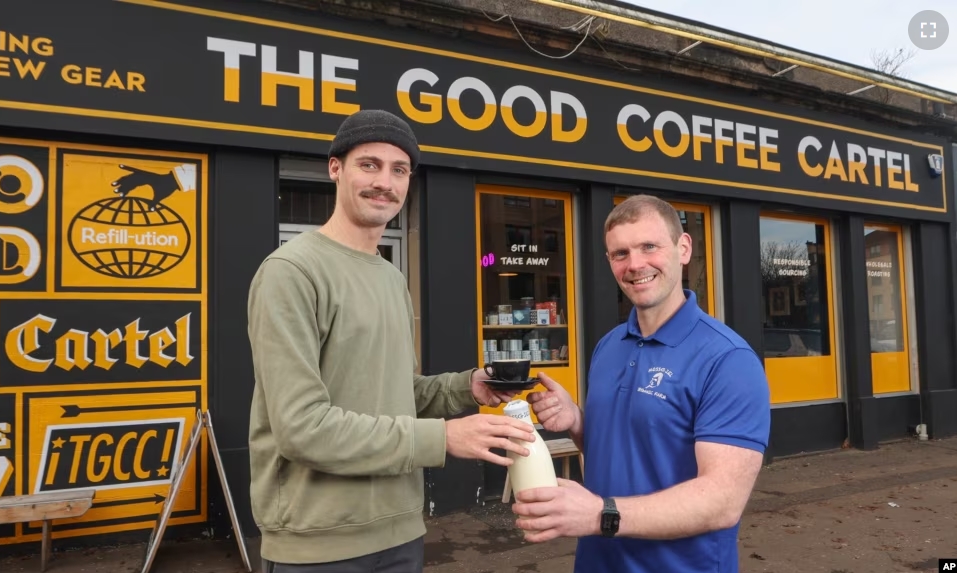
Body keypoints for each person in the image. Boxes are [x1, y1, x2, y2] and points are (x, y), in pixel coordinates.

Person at [246, 109, 536, 572]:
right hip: (320, 542)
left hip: (401, 531)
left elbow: (398, 393)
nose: (385, 181)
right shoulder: (292, 272)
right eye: (369, 164)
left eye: (399, 170)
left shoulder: (390, 278)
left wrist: (466, 388)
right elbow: (301, 428)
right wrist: (442, 438)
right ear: (335, 168)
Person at [512, 194, 771, 573]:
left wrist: (602, 515)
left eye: (649, 247)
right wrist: (576, 421)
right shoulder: (608, 346)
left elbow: (722, 500)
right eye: (620, 254)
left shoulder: (728, 359)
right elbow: (618, 450)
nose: (635, 265)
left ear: (683, 249)